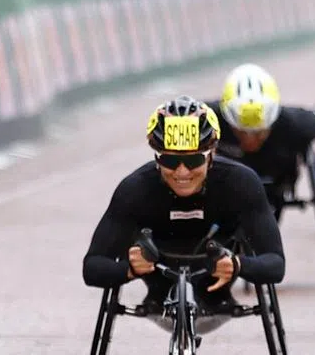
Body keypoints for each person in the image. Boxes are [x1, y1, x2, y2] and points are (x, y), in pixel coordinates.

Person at [82, 96, 285, 333]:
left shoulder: (241, 183)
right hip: (158, 283)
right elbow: (92, 267)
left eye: (193, 160)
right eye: (170, 160)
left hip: (216, 281)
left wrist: (238, 265)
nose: (181, 172)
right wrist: (129, 269)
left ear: (211, 154)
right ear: (157, 157)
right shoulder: (134, 189)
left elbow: (276, 264)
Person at [209, 63, 315, 219]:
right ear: (227, 119)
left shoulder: (295, 123)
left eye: (259, 132)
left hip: (277, 179)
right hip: (228, 178)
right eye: (242, 132)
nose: (250, 139)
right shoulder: (209, 118)